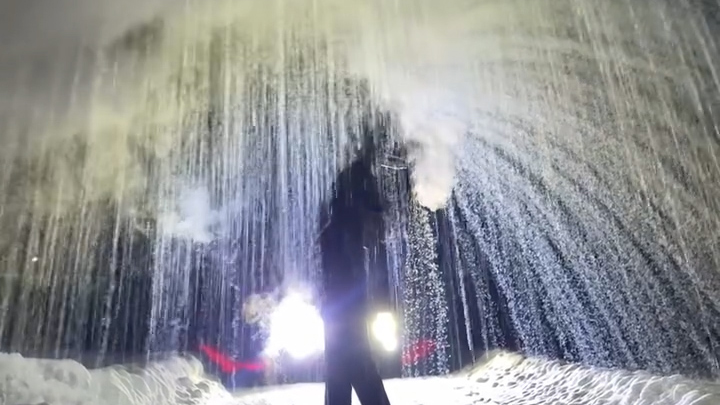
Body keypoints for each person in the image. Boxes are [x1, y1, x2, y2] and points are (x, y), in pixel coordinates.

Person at [319, 147, 392, 405]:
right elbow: (348, 275)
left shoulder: (336, 228)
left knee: (341, 375)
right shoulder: (346, 230)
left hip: (338, 314)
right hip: (346, 315)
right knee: (357, 371)